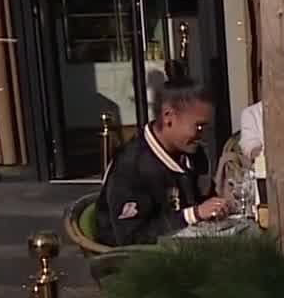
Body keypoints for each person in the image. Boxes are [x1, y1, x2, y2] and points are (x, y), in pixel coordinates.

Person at [96, 79, 226, 246]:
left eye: (206, 128)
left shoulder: (193, 153)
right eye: (199, 127)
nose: (204, 135)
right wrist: (193, 214)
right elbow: (132, 238)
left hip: (188, 248)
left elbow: (203, 200)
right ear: (168, 118)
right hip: (137, 263)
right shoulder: (130, 168)